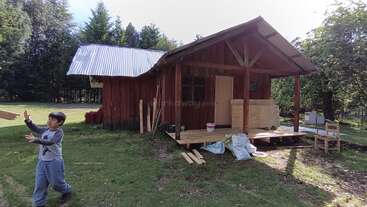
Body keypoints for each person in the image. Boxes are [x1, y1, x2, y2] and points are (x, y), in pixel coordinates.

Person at [24, 110, 72, 207]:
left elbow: (51, 142)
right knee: (40, 184)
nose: (49, 121)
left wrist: (36, 140)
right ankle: (39, 204)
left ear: (60, 123)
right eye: (49, 119)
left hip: (54, 162)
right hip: (42, 161)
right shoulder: (45, 130)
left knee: (56, 183)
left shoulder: (59, 133)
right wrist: (28, 120)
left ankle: (67, 190)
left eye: (53, 120)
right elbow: (35, 128)